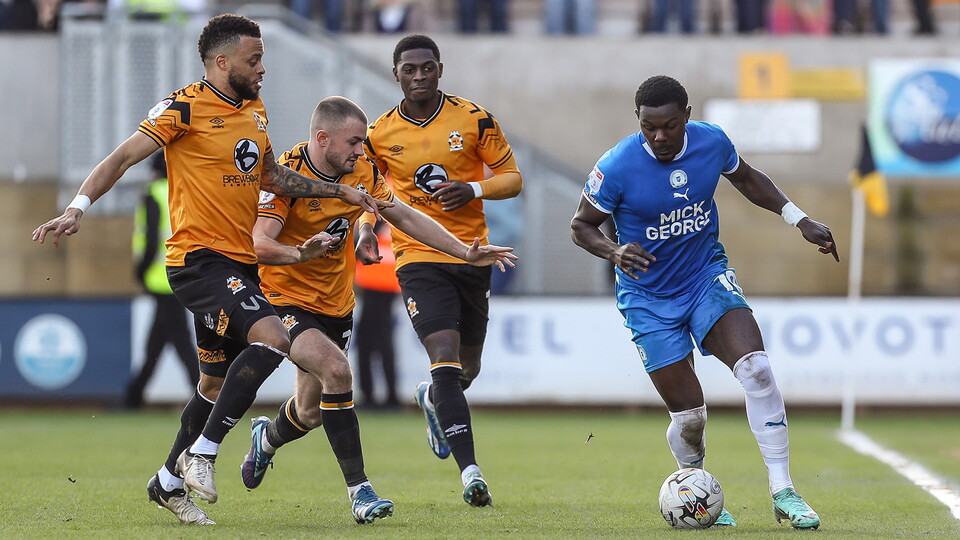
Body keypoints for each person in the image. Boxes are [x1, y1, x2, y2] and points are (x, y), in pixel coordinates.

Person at [32, 13, 390, 526]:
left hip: (239, 266)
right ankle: (202, 452)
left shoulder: (256, 111)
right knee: (272, 338)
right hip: (198, 260)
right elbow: (122, 157)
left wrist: (339, 192)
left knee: (213, 385)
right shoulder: (183, 107)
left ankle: (167, 481)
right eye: (254, 59)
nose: (263, 67)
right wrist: (77, 208)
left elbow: (272, 175)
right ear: (222, 62)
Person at [570, 75, 837, 530]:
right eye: (649, 126)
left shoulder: (712, 142)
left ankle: (783, 491)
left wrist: (799, 219)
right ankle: (696, 490)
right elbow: (581, 226)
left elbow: (748, 179)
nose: (659, 136)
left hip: (705, 276)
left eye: (669, 126)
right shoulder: (615, 166)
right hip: (647, 296)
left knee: (756, 368)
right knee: (690, 417)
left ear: (687, 117)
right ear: (638, 120)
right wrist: (614, 251)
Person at [238, 96, 516, 519]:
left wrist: (463, 251)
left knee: (310, 412)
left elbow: (402, 215)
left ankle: (266, 439)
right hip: (284, 299)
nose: (360, 150)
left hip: (336, 303)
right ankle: (360, 492)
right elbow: (259, 243)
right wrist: (300, 253)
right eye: (353, 142)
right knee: (337, 371)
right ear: (322, 138)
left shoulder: (362, 170)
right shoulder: (286, 173)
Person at [363, 34, 523, 508]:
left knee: (465, 368)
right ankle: (471, 472)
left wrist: (473, 190)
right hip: (416, 257)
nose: (418, 76)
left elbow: (512, 178)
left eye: (426, 68)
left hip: (472, 255)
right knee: (445, 355)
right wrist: (367, 228)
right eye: (408, 69)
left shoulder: (473, 119)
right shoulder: (379, 133)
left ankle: (434, 399)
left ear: (440, 69)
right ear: (395, 74)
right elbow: (368, 189)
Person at [124, 151, 200, 410]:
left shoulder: (152, 194)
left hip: (160, 278)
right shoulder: (184, 193)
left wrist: (141, 272)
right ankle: (133, 397)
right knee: (160, 342)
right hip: (185, 274)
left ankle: (205, 398)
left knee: (180, 343)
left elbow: (150, 237)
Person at [354, 220, 401, 407]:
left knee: (369, 341)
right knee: (383, 340)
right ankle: (389, 396)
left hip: (375, 277)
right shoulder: (395, 198)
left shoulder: (377, 200)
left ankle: (372, 396)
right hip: (388, 278)